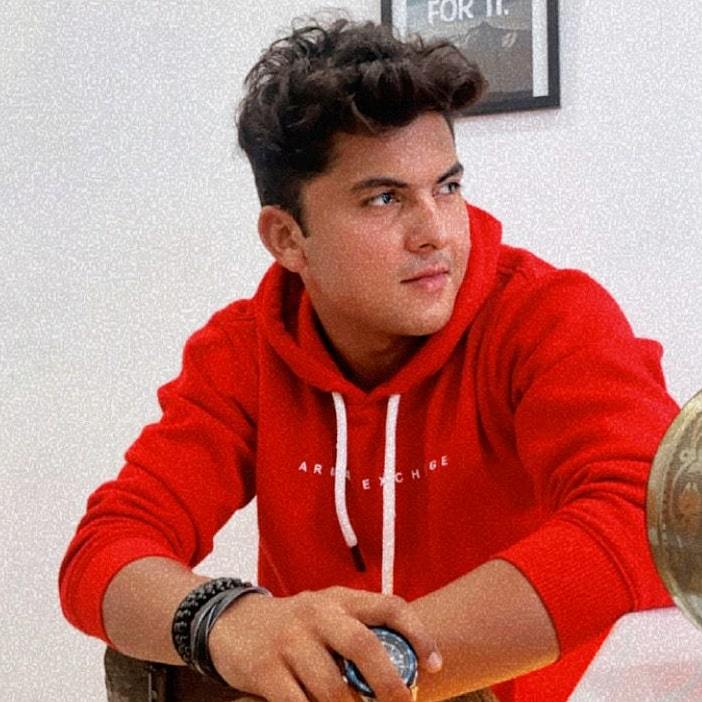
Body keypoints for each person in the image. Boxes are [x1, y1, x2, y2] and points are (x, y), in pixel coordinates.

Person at [58, 17, 680, 702]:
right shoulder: (244, 350)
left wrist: (375, 669)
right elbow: (108, 548)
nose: (436, 232)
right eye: (385, 199)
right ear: (287, 238)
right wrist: (230, 620)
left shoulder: (548, 316)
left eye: (447, 187)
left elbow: (655, 519)